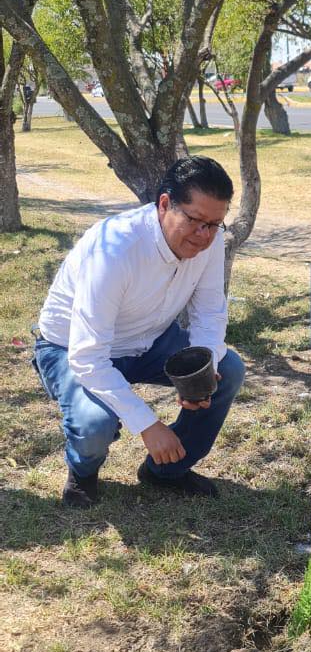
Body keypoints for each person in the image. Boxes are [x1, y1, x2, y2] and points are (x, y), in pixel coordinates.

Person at [34, 157, 245, 508]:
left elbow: (208, 313)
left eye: (214, 224)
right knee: (94, 423)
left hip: (150, 339)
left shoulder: (210, 240)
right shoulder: (114, 248)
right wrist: (148, 425)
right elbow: (88, 357)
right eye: (195, 221)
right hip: (71, 347)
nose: (204, 236)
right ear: (165, 204)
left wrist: (200, 374)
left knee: (229, 371)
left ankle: (166, 471)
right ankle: (83, 470)